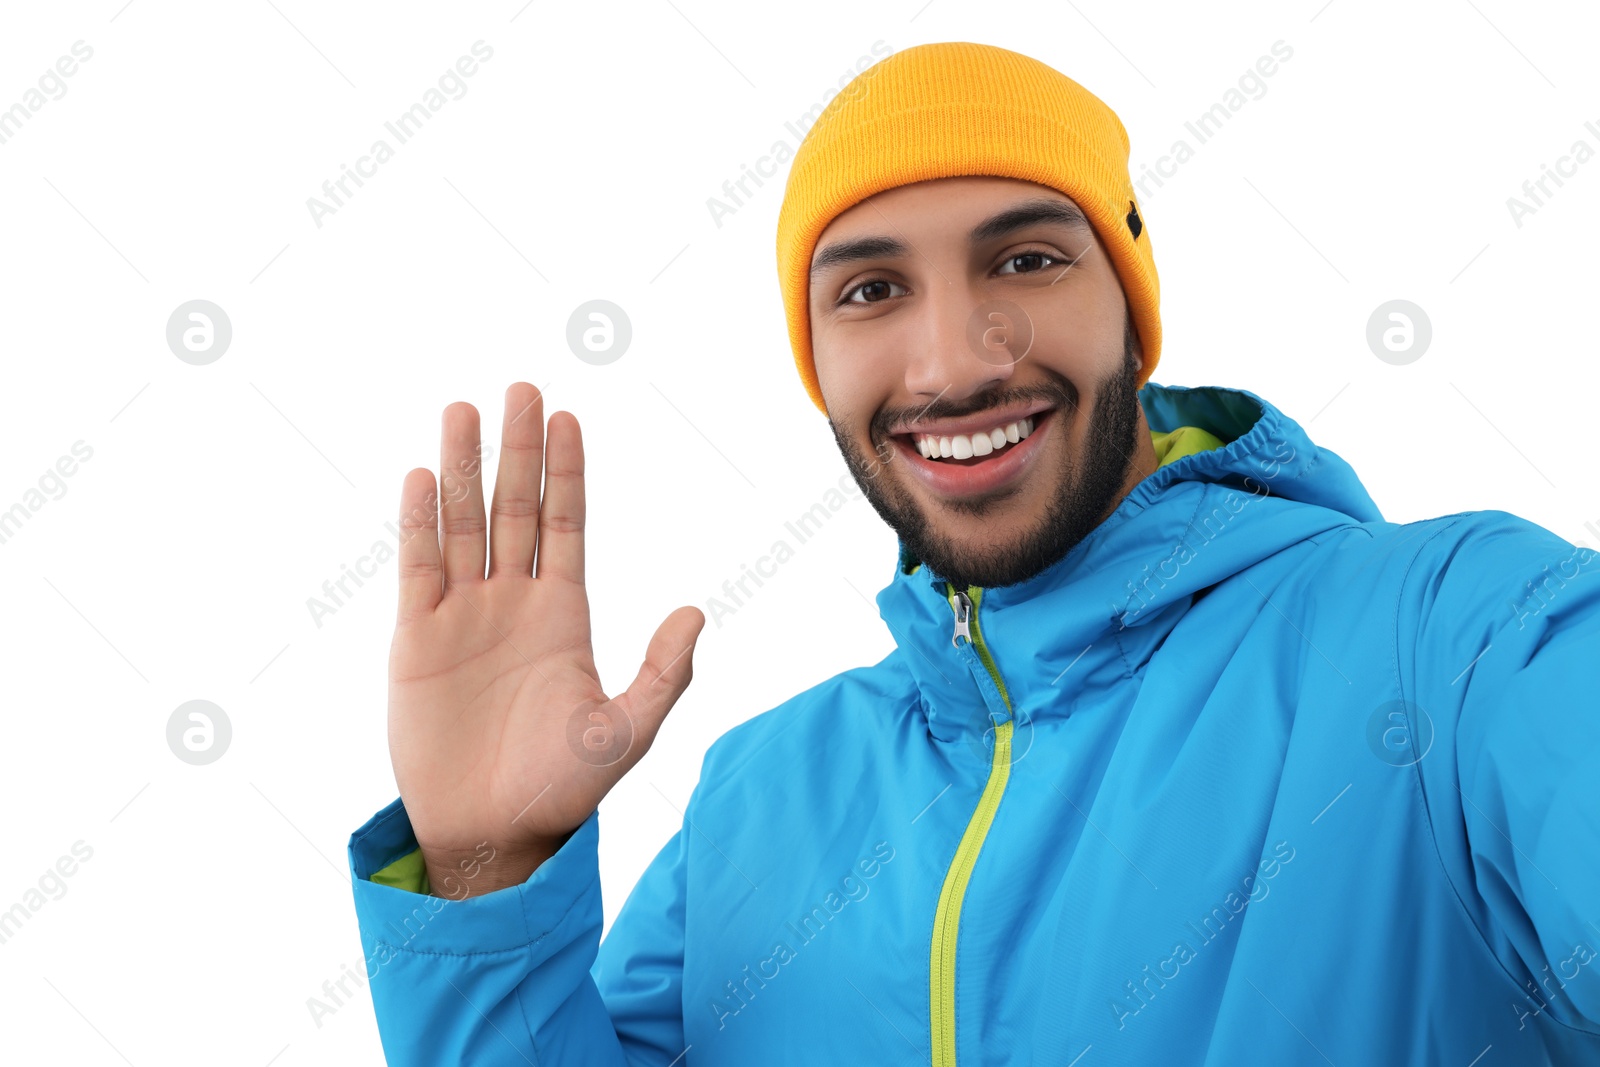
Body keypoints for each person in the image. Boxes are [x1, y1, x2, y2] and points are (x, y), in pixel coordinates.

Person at [347, 41, 1600, 1064]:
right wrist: (486, 874)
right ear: (816, 362)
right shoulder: (757, 798)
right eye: (869, 290)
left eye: (1026, 259)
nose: (953, 363)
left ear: (1131, 307)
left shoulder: (1461, 639)